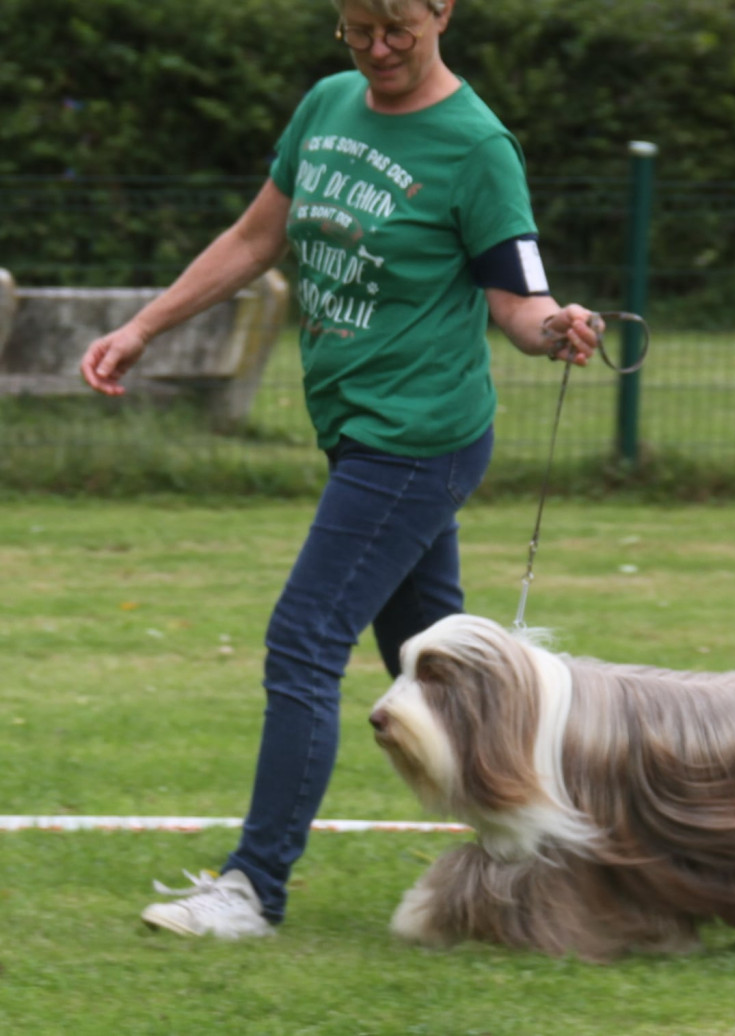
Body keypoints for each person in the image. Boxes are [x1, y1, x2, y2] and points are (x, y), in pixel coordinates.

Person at [80, 0, 603, 938]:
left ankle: (253, 888)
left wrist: (554, 326)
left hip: (419, 436)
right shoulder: (327, 105)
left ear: (443, 10)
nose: (377, 49)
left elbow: (519, 300)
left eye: (398, 26)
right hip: (359, 431)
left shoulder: (478, 145)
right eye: (356, 27)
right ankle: (548, 852)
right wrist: (144, 327)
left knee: (304, 639)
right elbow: (254, 238)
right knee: (439, 667)